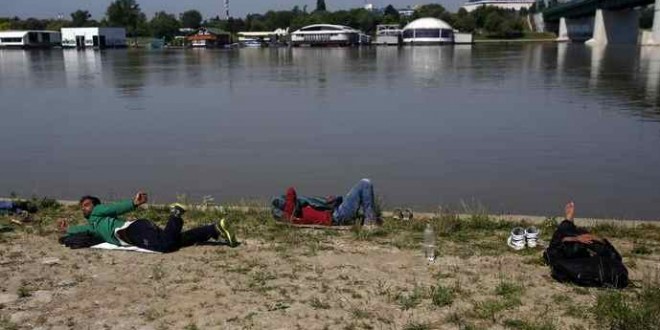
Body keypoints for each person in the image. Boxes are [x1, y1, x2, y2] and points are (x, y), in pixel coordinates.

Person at [64, 191, 236, 252]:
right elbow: (82, 229)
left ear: (94, 205)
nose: (83, 208)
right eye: (82, 206)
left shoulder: (98, 212)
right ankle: (214, 229)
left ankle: (175, 214)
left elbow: (114, 208)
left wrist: (133, 203)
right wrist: (67, 229)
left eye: (86, 205)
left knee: (165, 246)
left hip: (133, 231)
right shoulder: (94, 225)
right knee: (176, 241)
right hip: (138, 229)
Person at [543, 201, 628, 288]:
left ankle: (569, 222)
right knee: (573, 237)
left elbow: (556, 252)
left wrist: (578, 239)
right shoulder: (614, 262)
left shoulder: (566, 260)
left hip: (573, 253)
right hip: (580, 251)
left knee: (565, 239)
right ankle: (569, 223)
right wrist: (596, 239)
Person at [271, 178, 382, 227]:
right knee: (365, 183)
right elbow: (291, 191)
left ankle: (369, 217)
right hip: (337, 216)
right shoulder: (293, 214)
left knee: (362, 187)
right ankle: (370, 221)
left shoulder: (300, 209)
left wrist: (329, 201)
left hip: (336, 211)